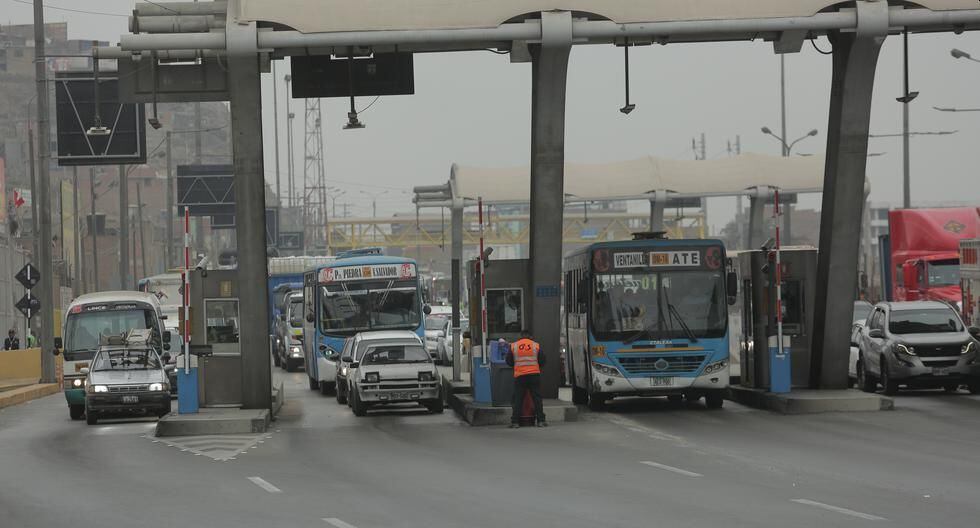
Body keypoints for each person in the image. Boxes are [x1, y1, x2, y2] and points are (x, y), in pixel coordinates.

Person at [505, 330, 547, 428]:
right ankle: (541, 421)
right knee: (537, 398)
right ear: (530, 336)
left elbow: (509, 361)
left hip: (520, 376)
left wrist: (516, 366)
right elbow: (542, 360)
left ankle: (515, 422)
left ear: (521, 336)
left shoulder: (514, 346)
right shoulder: (535, 345)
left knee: (518, 399)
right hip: (534, 375)